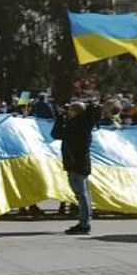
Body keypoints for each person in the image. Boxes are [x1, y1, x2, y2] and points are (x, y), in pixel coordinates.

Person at [51, 100, 101, 236]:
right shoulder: (79, 123)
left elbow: (56, 134)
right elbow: (56, 134)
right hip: (77, 162)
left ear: (74, 112)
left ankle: (84, 224)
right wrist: (62, 117)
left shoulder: (81, 123)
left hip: (76, 162)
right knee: (82, 194)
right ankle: (84, 222)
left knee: (82, 194)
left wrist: (61, 117)